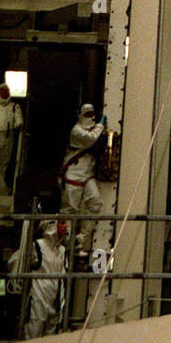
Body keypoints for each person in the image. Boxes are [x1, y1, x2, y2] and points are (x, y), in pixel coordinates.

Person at [9, 219, 68, 339]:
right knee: (33, 334)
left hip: (55, 299)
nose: (65, 226)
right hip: (38, 297)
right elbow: (15, 261)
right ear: (51, 225)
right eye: (61, 223)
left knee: (50, 339)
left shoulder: (62, 250)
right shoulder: (38, 246)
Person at [60, 104, 105, 251]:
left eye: (92, 114)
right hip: (74, 174)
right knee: (69, 210)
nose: (90, 117)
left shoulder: (96, 131)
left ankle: (82, 240)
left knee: (95, 203)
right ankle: (66, 242)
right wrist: (100, 125)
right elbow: (90, 139)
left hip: (88, 175)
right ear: (80, 115)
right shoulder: (77, 131)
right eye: (87, 114)